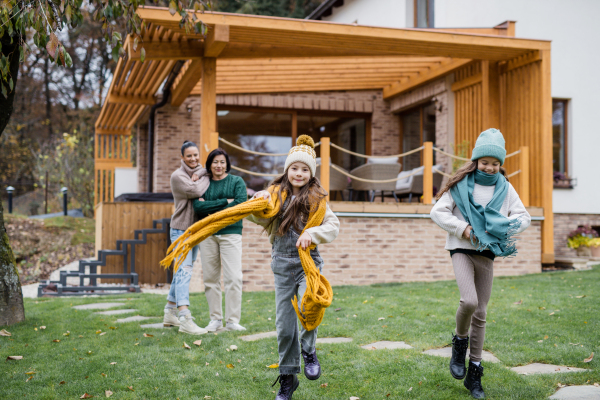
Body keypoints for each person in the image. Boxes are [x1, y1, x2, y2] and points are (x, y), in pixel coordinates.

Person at [430, 128, 531, 399]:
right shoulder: (461, 185)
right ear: (476, 161)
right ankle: (459, 342)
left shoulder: (505, 188)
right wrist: (463, 229)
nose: (489, 167)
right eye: (485, 162)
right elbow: (437, 212)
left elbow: (524, 217)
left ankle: (474, 372)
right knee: (469, 302)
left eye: (495, 163)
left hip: (487, 252)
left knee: (482, 312)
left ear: (501, 164)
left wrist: (505, 227)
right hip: (461, 248)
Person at [248, 135, 340, 400]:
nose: (298, 173)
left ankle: (309, 350)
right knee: (285, 326)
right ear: (287, 170)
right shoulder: (275, 195)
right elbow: (258, 217)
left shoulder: (318, 199)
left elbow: (333, 227)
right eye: (294, 168)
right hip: (282, 266)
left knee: (308, 306)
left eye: (304, 169)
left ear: (311, 174)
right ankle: (288, 377)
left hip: (307, 266)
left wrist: (314, 234)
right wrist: (260, 200)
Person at [193, 148, 248, 332]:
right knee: (210, 278)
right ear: (209, 164)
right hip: (208, 234)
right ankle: (215, 319)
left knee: (233, 277)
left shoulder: (237, 181)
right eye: (215, 162)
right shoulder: (203, 183)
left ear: (227, 164)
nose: (219, 165)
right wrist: (225, 202)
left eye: (222, 162)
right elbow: (198, 207)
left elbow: (240, 205)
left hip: (231, 233)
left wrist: (210, 207)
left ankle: (232, 321)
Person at [164, 141, 210, 335]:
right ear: (182, 157)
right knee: (184, 272)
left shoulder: (199, 172)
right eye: (189, 156)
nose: (193, 159)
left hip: (195, 230)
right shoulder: (178, 176)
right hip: (181, 231)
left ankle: (169, 312)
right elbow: (197, 191)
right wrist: (203, 178)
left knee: (182, 272)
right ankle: (184, 318)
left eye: (195, 155)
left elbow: (206, 173)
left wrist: (201, 174)